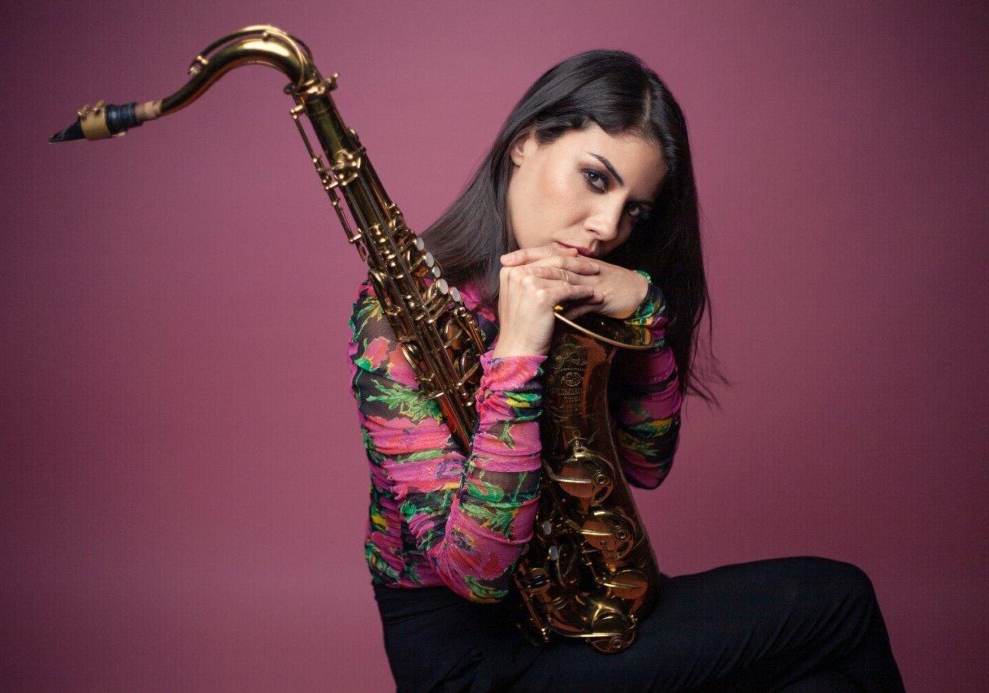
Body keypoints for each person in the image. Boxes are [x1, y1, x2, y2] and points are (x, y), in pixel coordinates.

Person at [347, 50, 904, 692]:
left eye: (635, 209)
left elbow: (644, 464)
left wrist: (646, 313)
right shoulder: (394, 315)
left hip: (583, 609)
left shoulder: (587, 295)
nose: (608, 228)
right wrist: (517, 356)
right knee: (841, 600)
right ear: (525, 142)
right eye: (594, 178)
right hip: (477, 663)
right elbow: (476, 573)